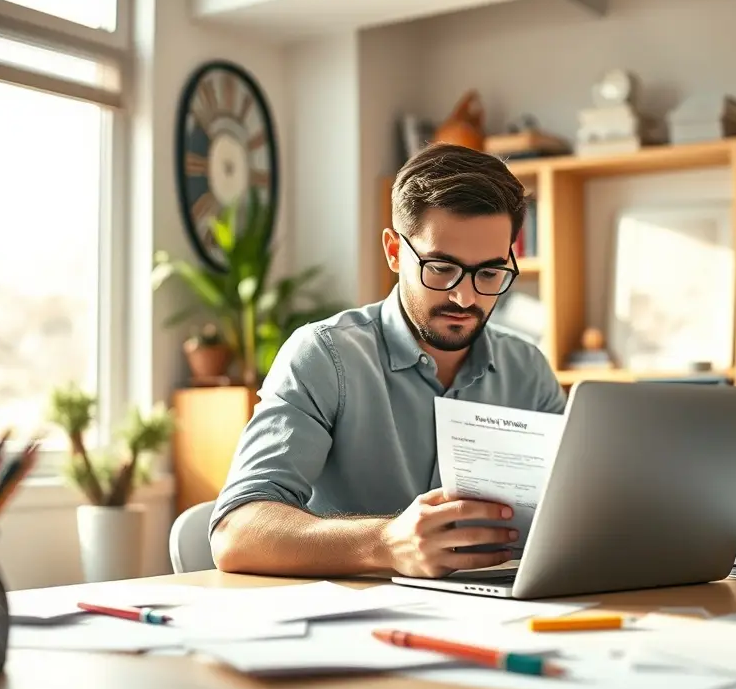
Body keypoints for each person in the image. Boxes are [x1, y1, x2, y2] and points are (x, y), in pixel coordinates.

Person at [209, 142, 567, 580]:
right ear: (395, 252)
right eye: (441, 268)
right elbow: (235, 532)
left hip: (501, 614)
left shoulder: (527, 370)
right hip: (357, 629)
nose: (465, 296)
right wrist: (384, 543)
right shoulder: (326, 356)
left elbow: (574, 509)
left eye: (490, 273)